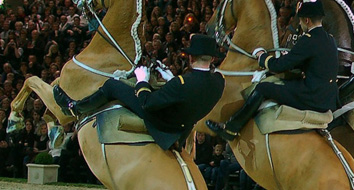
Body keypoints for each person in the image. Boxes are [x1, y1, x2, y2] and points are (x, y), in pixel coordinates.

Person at [53, 34, 226, 150]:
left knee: (113, 85)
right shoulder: (219, 81)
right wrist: (170, 78)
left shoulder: (182, 83)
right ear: (212, 58)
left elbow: (148, 103)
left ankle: (75, 108)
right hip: (184, 125)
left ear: (191, 57)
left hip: (161, 122)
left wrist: (142, 80)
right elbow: (193, 89)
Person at [207, 0, 338, 141]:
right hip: (328, 96)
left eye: (300, 21)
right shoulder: (330, 39)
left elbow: (278, 66)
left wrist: (261, 56)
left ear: (307, 20)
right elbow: (314, 63)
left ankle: (232, 128)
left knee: (263, 88)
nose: (300, 24)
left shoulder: (308, 39)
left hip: (312, 96)